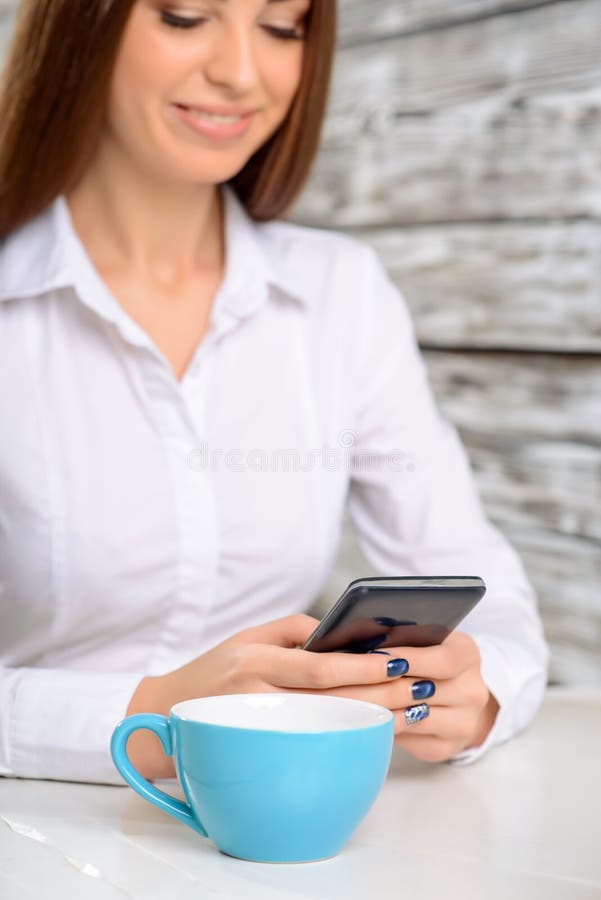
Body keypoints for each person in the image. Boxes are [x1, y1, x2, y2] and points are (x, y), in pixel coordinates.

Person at [0, 0, 548, 786]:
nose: (240, 72)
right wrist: (153, 714)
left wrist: (473, 690)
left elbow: (487, 603)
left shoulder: (340, 295)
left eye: (282, 26)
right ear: (80, 26)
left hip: (283, 827)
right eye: (185, 16)